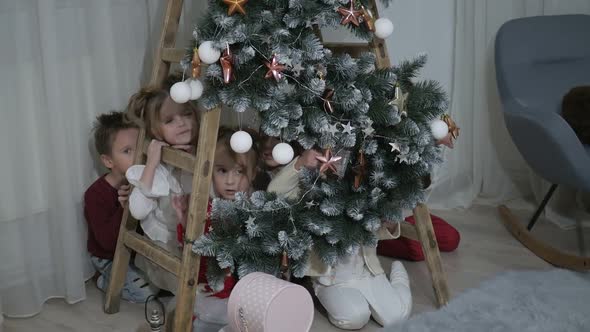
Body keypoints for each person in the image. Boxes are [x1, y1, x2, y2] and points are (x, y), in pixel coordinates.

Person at [261, 136, 412, 330]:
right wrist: (299, 163)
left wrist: (390, 225)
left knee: (396, 317)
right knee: (354, 317)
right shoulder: (311, 183)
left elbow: (373, 229)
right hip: (330, 279)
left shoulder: (365, 183)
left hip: (368, 272)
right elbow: (274, 192)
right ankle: (352, 301)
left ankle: (399, 276)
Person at [124, 84, 199, 293]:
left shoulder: (205, 150)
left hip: (196, 238)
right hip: (167, 243)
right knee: (190, 291)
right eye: (169, 120)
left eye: (187, 114)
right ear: (155, 130)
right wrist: (152, 163)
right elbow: (138, 211)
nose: (182, 123)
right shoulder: (159, 168)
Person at [84, 111, 158, 303]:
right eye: (127, 151)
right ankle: (104, 280)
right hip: (109, 256)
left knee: (167, 282)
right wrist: (124, 209)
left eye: (140, 148)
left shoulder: (146, 179)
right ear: (109, 161)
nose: (138, 156)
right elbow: (106, 243)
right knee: (146, 293)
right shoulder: (95, 195)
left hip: (137, 252)